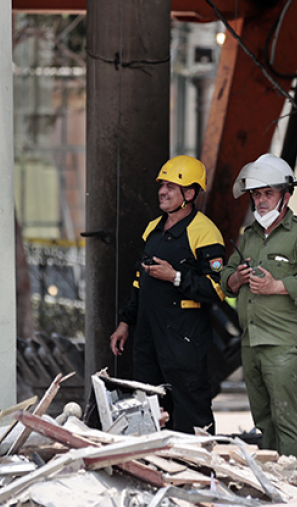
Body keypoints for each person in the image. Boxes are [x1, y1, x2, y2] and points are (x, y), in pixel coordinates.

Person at [222, 154, 297, 462]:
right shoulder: (250, 236)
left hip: (284, 343)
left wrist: (276, 287)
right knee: (264, 422)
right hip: (251, 342)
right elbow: (225, 275)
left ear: (286, 195)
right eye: (256, 194)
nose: (261, 200)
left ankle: (294, 486)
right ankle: (272, 485)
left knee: (287, 419)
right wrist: (235, 279)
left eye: (267, 193)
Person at [109, 155, 227, 434]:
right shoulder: (153, 229)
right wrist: (126, 322)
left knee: (189, 410)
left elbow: (218, 289)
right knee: (148, 408)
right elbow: (140, 282)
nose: (162, 191)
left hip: (184, 341)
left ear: (190, 193)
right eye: (162, 185)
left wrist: (175, 276)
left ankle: (197, 473)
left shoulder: (206, 233)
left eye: (171, 187)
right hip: (149, 339)